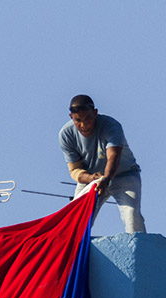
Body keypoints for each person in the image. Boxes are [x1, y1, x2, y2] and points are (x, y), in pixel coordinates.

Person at [58, 94, 146, 233]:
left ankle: (140, 250)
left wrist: (106, 179)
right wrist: (92, 178)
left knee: (131, 216)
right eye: (78, 120)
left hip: (123, 175)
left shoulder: (111, 126)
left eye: (87, 119)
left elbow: (113, 156)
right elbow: (74, 170)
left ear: (95, 113)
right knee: (76, 220)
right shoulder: (66, 134)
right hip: (91, 179)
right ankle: (76, 251)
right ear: (71, 117)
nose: (83, 125)